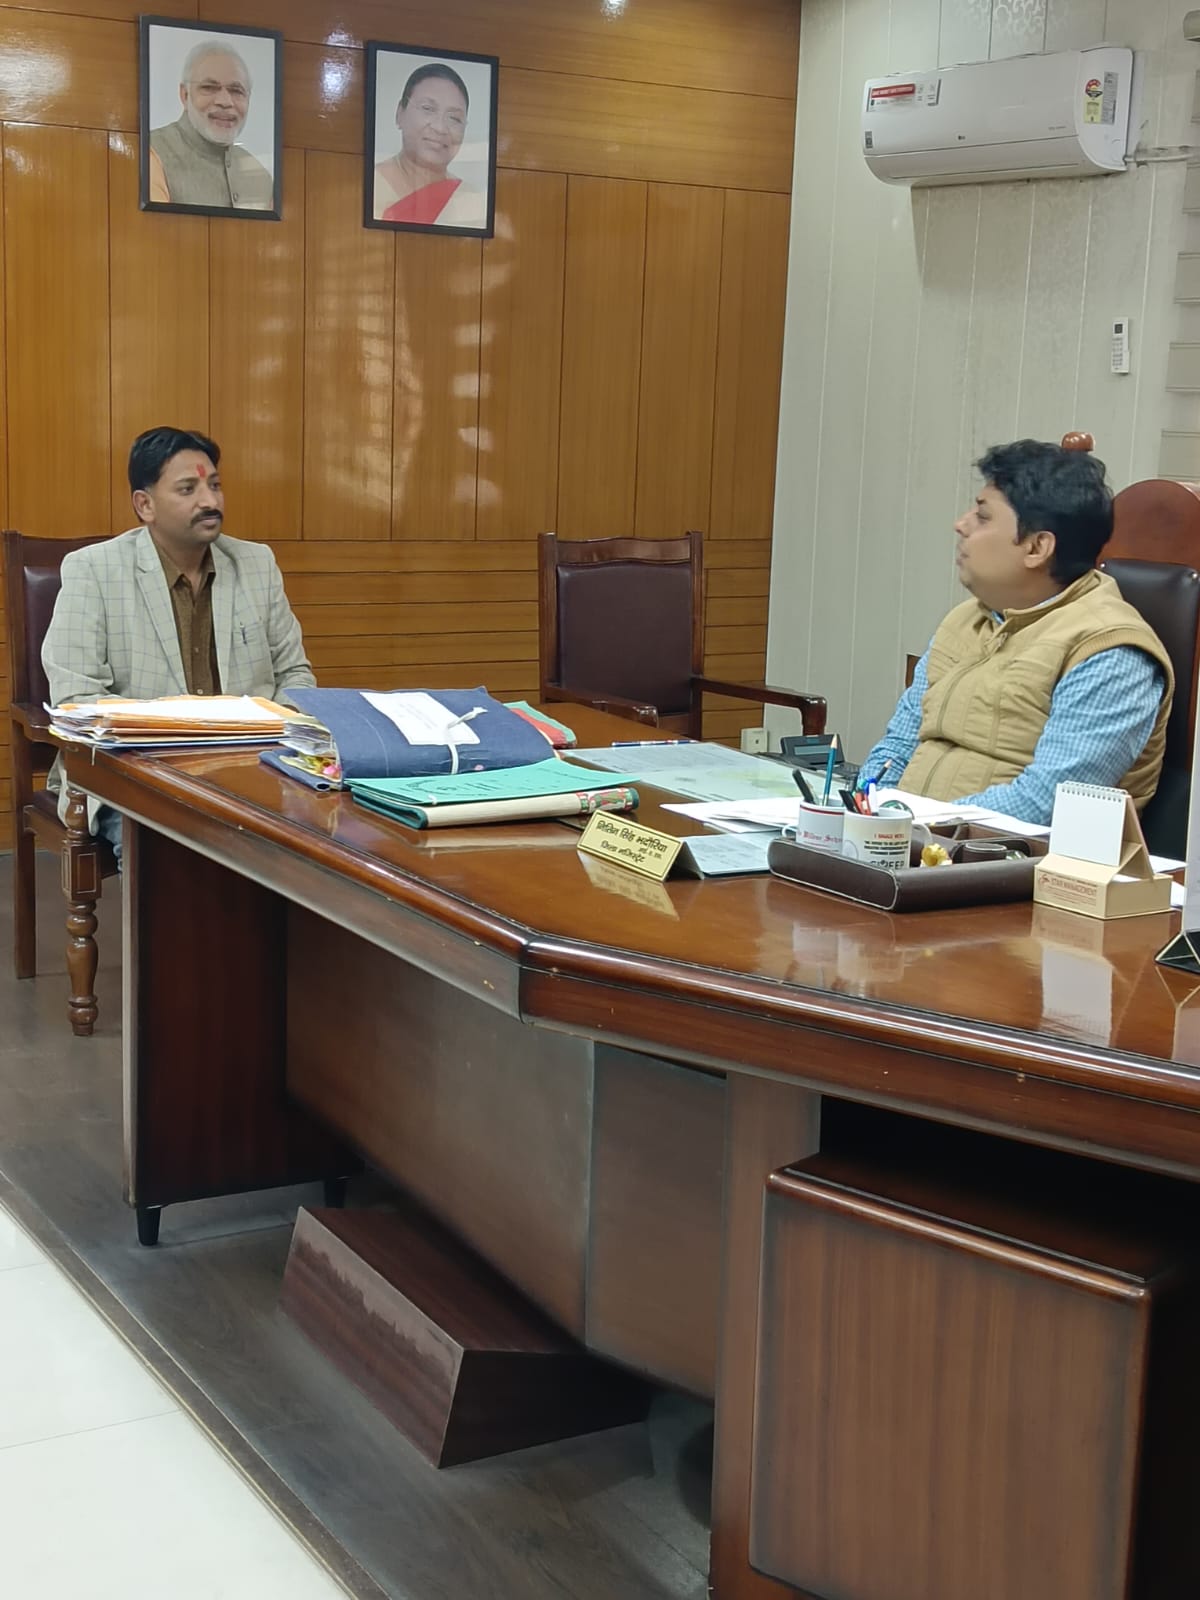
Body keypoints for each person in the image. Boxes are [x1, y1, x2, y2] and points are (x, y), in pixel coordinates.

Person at [858, 440, 1174, 826]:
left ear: (1037, 547)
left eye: (983, 516)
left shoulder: (1109, 650)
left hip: (1004, 855)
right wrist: (867, 807)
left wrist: (915, 826)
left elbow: (1047, 802)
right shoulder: (965, 619)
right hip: (906, 842)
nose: (961, 524)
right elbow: (899, 744)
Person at [43, 426, 315, 851]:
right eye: (188, 489)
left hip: (252, 767)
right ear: (145, 505)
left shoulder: (256, 564)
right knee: (174, 851)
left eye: (215, 485)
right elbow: (76, 698)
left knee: (314, 845)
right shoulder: (93, 570)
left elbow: (295, 675)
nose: (210, 501)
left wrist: (274, 739)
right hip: (134, 775)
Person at [149, 39, 274, 211]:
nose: (225, 101)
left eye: (236, 91)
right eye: (209, 88)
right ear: (185, 95)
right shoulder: (153, 153)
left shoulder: (259, 175)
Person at [373, 62, 486, 227]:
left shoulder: (471, 201)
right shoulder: (369, 184)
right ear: (400, 113)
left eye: (454, 118)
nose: (440, 128)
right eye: (428, 109)